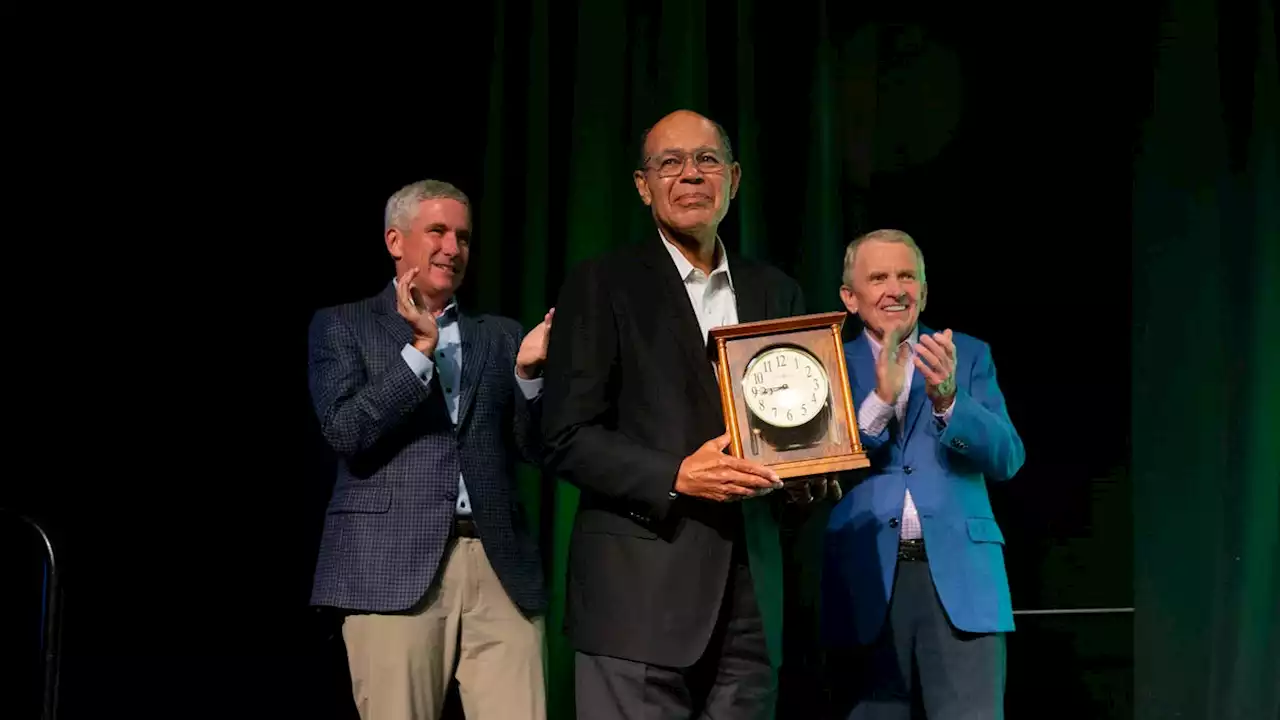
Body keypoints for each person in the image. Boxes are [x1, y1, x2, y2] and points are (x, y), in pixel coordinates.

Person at [541, 109, 838, 720]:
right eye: (669, 164)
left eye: (705, 161)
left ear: (733, 178)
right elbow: (564, 435)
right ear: (643, 185)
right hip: (637, 600)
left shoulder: (775, 292)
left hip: (752, 604)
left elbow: (795, 427)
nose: (690, 176)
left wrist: (812, 476)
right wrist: (676, 474)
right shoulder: (601, 283)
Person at [307, 179, 554, 720]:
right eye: (437, 232)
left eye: (463, 237)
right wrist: (419, 353)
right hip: (389, 567)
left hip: (498, 567)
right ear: (396, 241)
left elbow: (536, 451)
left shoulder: (501, 336)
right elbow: (345, 431)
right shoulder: (343, 325)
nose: (452, 248)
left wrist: (530, 376)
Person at [822, 229, 1026, 718]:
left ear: (925, 291)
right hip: (865, 578)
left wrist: (950, 400)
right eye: (878, 278)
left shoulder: (968, 355)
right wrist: (880, 401)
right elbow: (819, 468)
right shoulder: (825, 364)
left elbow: (1007, 458)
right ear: (850, 298)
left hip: (960, 583)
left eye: (906, 276)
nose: (895, 289)